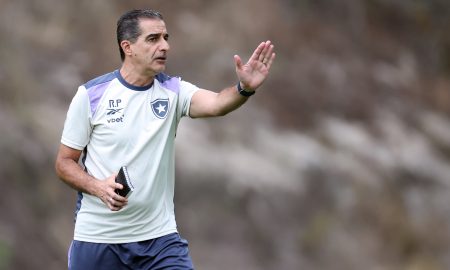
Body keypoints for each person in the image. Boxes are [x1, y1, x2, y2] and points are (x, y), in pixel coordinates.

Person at [55, 9, 275, 270]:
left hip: (159, 241)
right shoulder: (91, 95)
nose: (165, 46)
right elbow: (64, 164)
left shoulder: (173, 90)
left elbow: (217, 104)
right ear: (128, 47)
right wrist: (98, 187)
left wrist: (245, 88)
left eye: (165, 37)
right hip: (98, 240)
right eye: (153, 39)